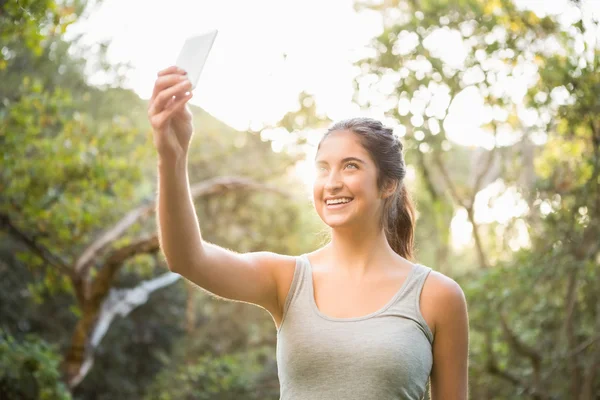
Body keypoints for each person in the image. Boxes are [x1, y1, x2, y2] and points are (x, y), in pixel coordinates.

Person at [147, 65, 469, 400]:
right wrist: (172, 156)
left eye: (351, 166)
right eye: (322, 168)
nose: (332, 183)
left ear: (388, 184)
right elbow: (187, 258)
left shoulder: (438, 296)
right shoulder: (286, 280)